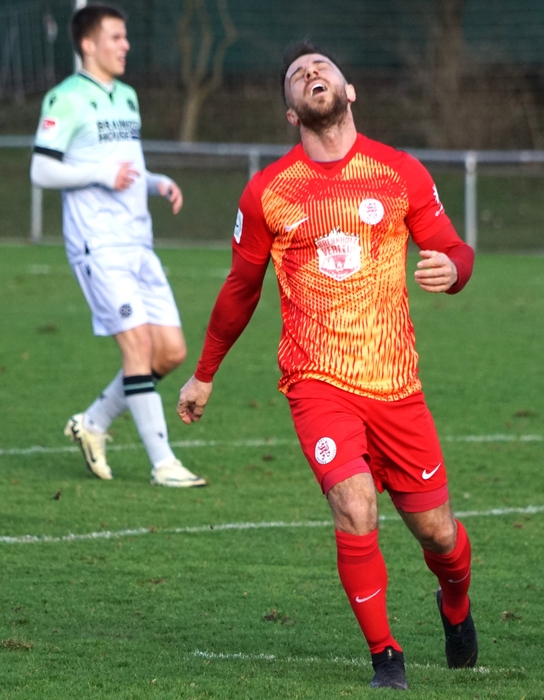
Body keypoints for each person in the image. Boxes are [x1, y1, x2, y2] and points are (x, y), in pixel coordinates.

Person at [175, 41, 478, 690]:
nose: (311, 73)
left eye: (322, 67)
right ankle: (386, 657)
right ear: (291, 112)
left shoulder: (399, 172)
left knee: (438, 534)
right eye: (297, 74)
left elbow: (454, 248)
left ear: (349, 90)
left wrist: (453, 270)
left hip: (396, 385)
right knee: (355, 506)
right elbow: (240, 289)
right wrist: (204, 372)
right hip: (316, 382)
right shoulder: (268, 191)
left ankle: (455, 603)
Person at [30, 3, 205, 488]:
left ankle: (93, 423)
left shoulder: (127, 97)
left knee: (169, 352)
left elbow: (127, 167)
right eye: (116, 37)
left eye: (126, 37)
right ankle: (163, 463)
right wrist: (100, 174)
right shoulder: (66, 98)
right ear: (88, 44)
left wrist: (155, 181)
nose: (126, 45)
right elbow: (41, 169)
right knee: (138, 345)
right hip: (97, 244)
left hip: (138, 240)